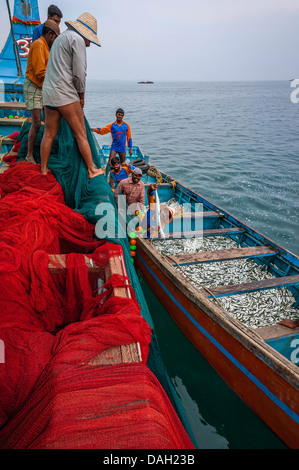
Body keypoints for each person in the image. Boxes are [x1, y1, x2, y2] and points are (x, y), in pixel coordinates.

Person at [40, 13, 104, 178]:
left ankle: (44, 169)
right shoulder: (78, 40)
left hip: (49, 92)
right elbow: (79, 74)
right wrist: (81, 95)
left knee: (48, 134)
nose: (89, 44)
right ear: (85, 33)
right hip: (65, 93)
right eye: (90, 39)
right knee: (81, 133)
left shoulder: (61, 38)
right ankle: (92, 169)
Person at [23, 20, 60, 164]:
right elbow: (40, 73)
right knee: (37, 122)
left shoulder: (46, 46)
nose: (55, 41)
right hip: (33, 86)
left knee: (46, 121)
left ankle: (42, 152)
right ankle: (29, 154)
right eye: (55, 37)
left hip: (42, 86)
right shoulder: (39, 45)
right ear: (50, 34)